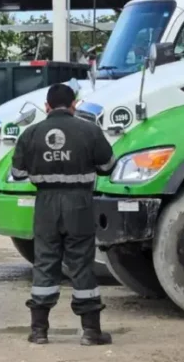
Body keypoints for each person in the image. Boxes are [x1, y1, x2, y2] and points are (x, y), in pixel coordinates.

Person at [11, 83, 115, 345]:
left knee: (45, 263)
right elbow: (108, 165)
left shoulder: (31, 133)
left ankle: (39, 331)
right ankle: (91, 332)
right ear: (74, 105)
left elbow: (18, 174)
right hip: (79, 203)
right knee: (81, 264)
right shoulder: (89, 130)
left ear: (46, 106)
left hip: (46, 204)